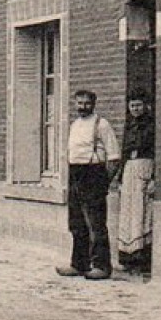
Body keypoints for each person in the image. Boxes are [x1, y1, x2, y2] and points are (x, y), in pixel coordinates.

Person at [56, 89, 121, 280]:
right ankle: (79, 264)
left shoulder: (102, 124)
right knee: (76, 223)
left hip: (93, 174)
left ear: (93, 104)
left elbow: (115, 157)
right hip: (75, 174)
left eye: (86, 103)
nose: (82, 107)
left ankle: (101, 266)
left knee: (96, 224)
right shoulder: (75, 125)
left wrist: (102, 182)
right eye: (79, 103)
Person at [116, 94, 156, 278]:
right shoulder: (129, 126)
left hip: (144, 167)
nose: (135, 109)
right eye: (132, 106)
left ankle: (142, 260)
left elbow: (156, 152)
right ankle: (127, 258)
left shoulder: (152, 126)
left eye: (139, 105)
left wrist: (154, 178)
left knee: (141, 215)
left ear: (146, 106)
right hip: (129, 170)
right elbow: (124, 151)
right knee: (128, 215)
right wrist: (120, 178)